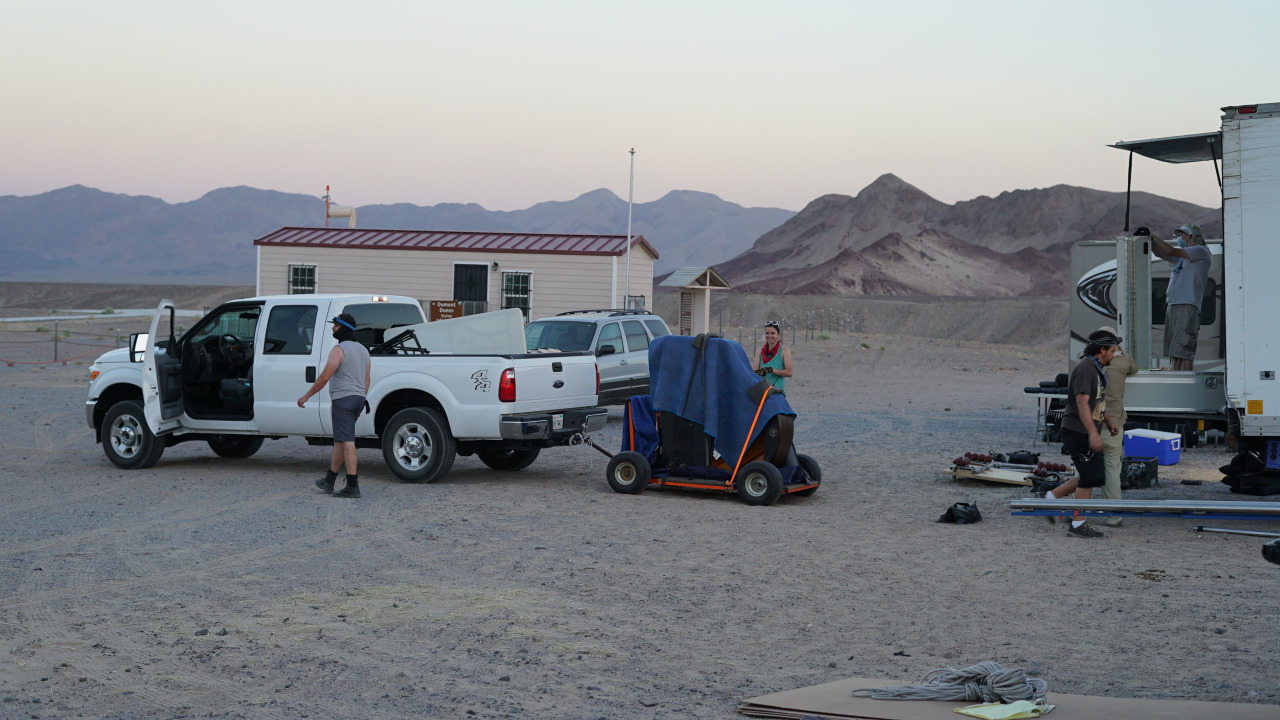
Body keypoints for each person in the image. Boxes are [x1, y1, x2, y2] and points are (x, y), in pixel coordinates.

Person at [1045, 329, 1121, 538]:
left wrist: (1108, 421)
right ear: (1102, 350)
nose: (1114, 355)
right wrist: (1093, 434)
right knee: (1089, 478)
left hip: (1083, 430)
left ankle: (1051, 498)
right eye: (1112, 351)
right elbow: (1081, 402)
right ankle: (1077, 524)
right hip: (1078, 431)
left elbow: (1095, 402)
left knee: (1090, 476)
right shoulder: (1085, 369)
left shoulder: (1095, 370)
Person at [298, 313, 371, 499]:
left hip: (343, 399)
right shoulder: (363, 350)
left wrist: (306, 396)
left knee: (348, 442)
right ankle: (329, 480)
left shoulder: (339, 349)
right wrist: (361, 400)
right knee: (340, 440)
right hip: (358, 398)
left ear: (344, 328)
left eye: (336, 326)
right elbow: (367, 378)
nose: (333, 328)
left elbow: (324, 377)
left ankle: (353, 485)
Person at [1148, 222, 1211, 371]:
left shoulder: (1199, 251)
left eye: (1182, 234)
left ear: (1190, 235)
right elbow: (1160, 253)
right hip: (1174, 304)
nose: (1179, 237)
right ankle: (1177, 377)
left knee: (1184, 349)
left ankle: (1185, 378)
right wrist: (1148, 241)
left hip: (1187, 304)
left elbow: (1170, 250)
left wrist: (1153, 236)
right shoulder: (1183, 257)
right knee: (1176, 350)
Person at [1097, 325, 1138, 527]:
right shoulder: (1122, 360)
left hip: (1091, 423)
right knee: (1112, 468)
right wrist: (1121, 351)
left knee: (1082, 469)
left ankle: (1074, 512)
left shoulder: (1087, 360)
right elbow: (1134, 368)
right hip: (1114, 421)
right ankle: (1113, 516)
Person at [751, 320, 793, 393]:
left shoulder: (785, 351)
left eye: (772, 333)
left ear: (778, 334)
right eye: (767, 333)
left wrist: (771, 370)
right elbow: (755, 371)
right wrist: (762, 372)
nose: (769, 336)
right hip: (762, 391)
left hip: (777, 392)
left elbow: (789, 373)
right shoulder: (759, 350)